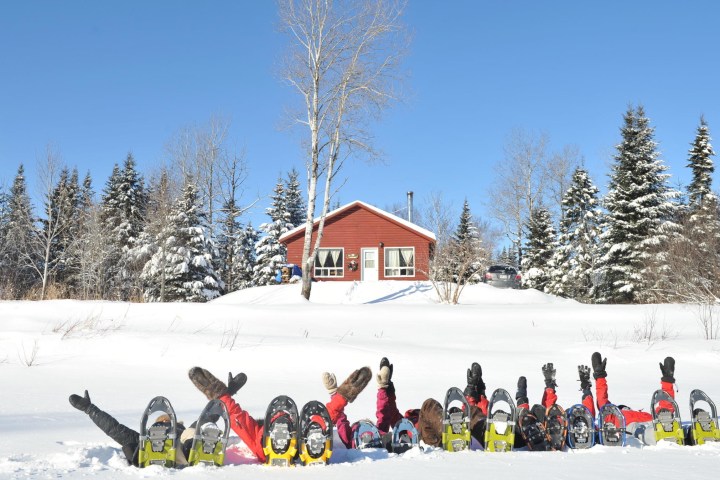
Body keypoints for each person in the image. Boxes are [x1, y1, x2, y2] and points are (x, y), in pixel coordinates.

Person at [189, 365, 369, 462]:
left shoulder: (259, 443)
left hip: (267, 444)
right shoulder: (299, 436)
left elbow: (237, 418)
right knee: (316, 428)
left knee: (315, 427)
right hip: (287, 440)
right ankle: (286, 439)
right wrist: (344, 395)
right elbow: (325, 417)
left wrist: (218, 394)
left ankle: (278, 441)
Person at [67, 390, 193, 467]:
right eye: (161, 421)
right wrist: (90, 409)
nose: (164, 422)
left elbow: (114, 428)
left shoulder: (184, 431)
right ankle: (156, 450)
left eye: (166, 421)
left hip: (176, 445)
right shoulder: (183, 431)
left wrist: (89, 409)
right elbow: (114, 428)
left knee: (192, 434)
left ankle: (155, 453)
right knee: (191, 435)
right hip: (163, 446)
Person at [578, 352, 676, 443]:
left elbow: (601, 400)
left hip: (650, 421)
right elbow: (602, 401)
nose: (626, 408)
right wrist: (599, 377)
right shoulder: (614, 415)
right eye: (624, 407)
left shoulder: (641, 414)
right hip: (628, 426)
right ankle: (661, 435)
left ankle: (665, 430)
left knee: (663, 414)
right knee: (642, 430)